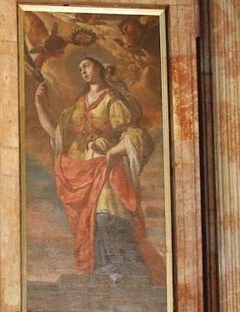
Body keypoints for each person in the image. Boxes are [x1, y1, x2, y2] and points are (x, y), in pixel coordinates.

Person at [33, 55, 166, 286]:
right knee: (89, 219)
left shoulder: (112, 101)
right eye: (80, 67)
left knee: (107, 213)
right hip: (82, 168)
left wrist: (113, 153)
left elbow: (135, 136)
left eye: (87, 65)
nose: (83, 70)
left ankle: (121, 268)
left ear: (99, 68)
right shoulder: (78, 104)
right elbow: (57, 135)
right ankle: (100, 268)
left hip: (106, 168)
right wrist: (40, 105)